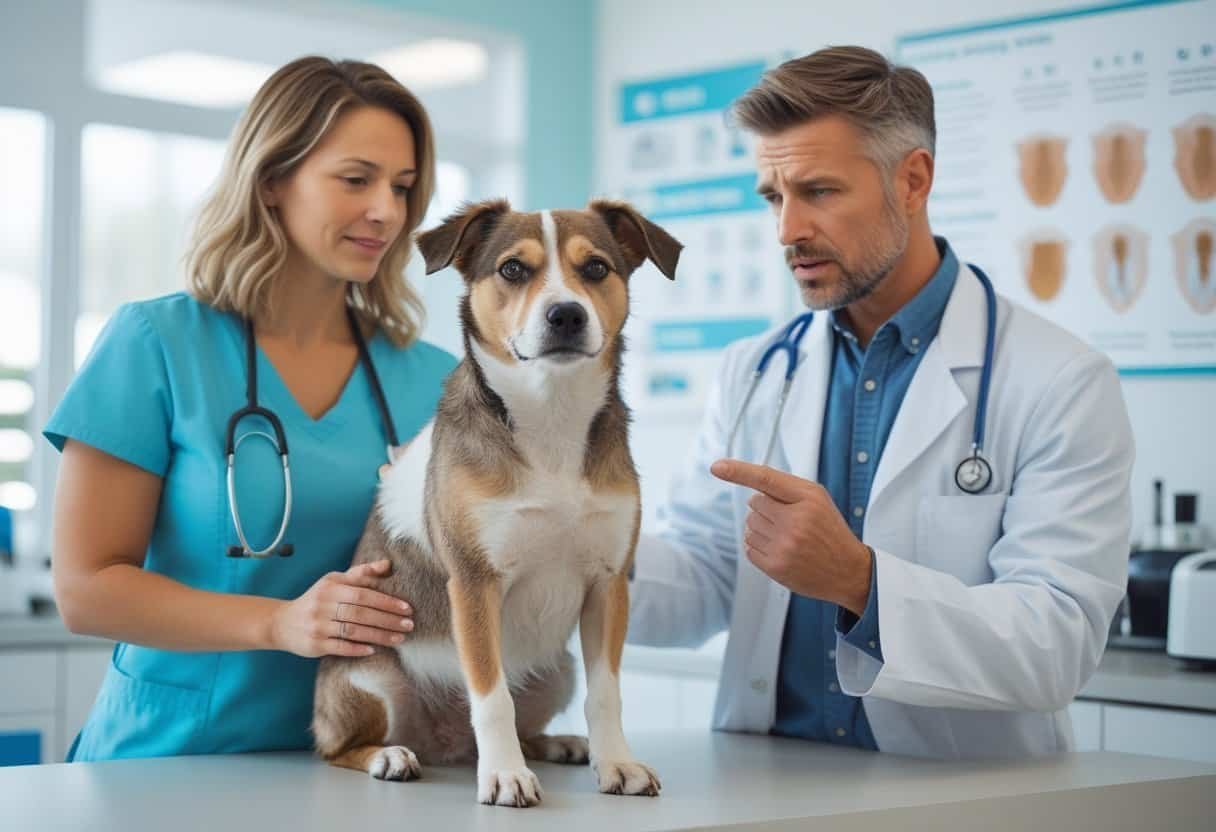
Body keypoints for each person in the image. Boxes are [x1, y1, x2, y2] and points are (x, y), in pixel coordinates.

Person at [626, 46, 1135, 759]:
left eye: (820, 192)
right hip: (768, 783)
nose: (787, 230)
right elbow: (708, 579)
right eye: (774, 197)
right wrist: (575, 560)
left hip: (960, 795)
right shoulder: (756, 369)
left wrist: (856, 581)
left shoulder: (1061, 381)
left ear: (913, 180)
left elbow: (1057, 643)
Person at [45, 56, 456, 761]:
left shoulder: (438, 382)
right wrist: (279, 623)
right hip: (171, 762)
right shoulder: (157, 345)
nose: (387, 211)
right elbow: (86, 589)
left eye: (403, 186)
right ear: (272, 179)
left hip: (370, 769)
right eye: (356, 179)